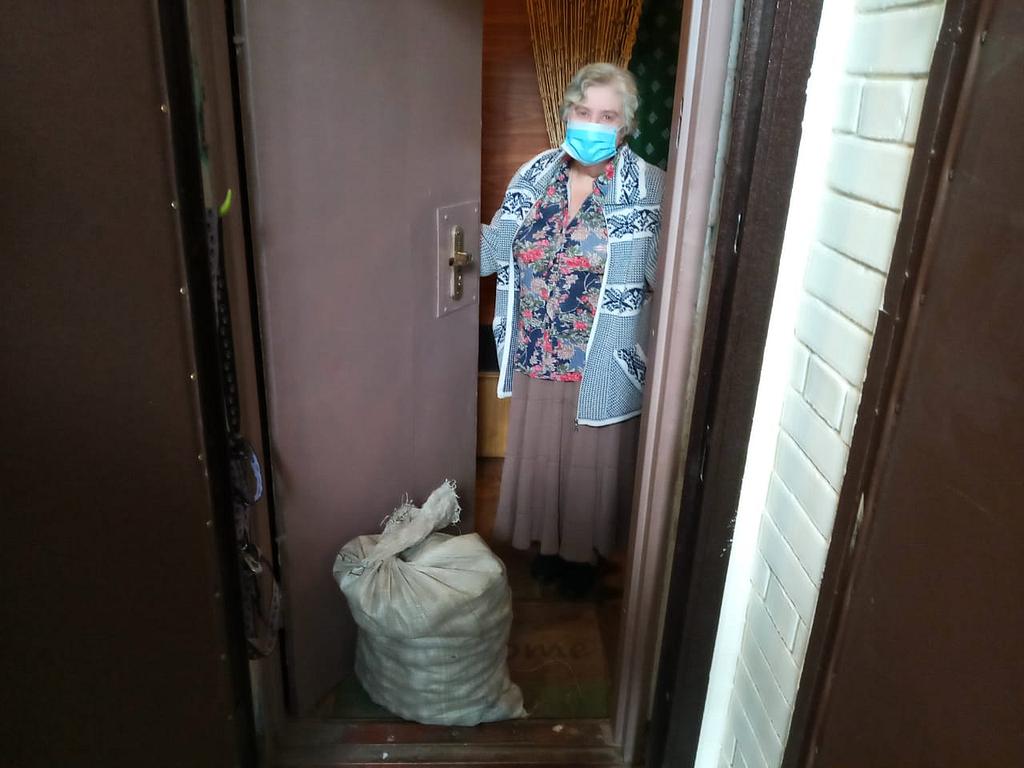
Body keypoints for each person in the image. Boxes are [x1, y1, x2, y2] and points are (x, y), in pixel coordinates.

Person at [479, 62, 665, 598]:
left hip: (601, 354)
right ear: (567, 115)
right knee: (542, 452)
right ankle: (547, 549)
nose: (593, 124)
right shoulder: (535, 174)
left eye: (607, 115)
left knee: (589, 462)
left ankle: (582, 558)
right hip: (537, 344)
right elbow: (493, 252)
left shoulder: (650, 186)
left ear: (626, 126)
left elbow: (668, 278)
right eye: (584, 111)